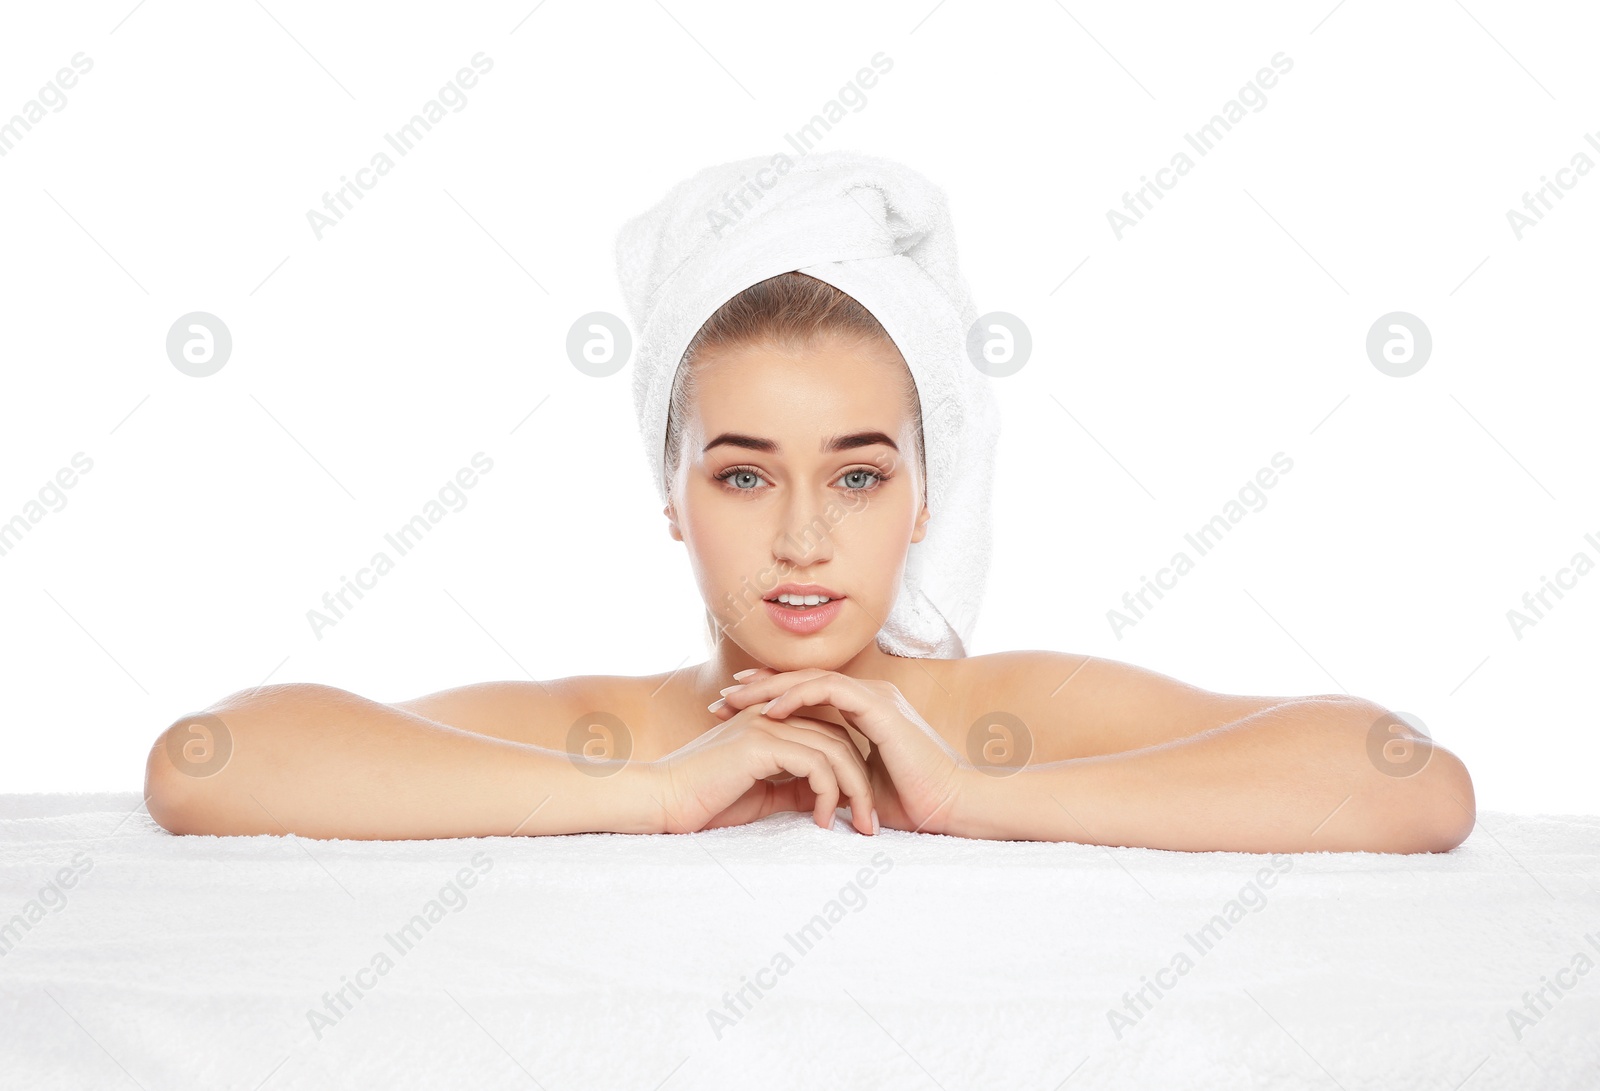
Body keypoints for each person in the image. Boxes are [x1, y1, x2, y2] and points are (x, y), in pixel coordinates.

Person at [144, 269, 1474, 853]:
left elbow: (1410, 784)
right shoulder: (615, 735)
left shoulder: (1008, 721)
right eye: (741, 473)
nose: (799, 538)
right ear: (672, 497)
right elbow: (209, 763)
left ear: (924, 497)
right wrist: (659, 797)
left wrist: (965, 800)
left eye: (854, 474)